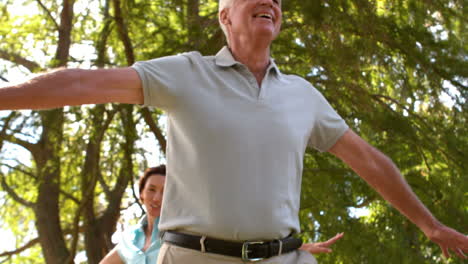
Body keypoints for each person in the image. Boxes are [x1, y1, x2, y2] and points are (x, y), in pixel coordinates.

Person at [0, 0, 466, 263]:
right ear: (224, 17)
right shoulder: (183, 73)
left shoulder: (303, 95)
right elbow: (83, 81)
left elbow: (368, 160)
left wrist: (431, 225)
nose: (270, 2)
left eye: (277, 1)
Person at [100, 165, 166, 264]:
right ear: (141, 193)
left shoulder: (177, 234)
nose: (156, 198)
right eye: (151, 190)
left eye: (164, 192)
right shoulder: (130, 237)